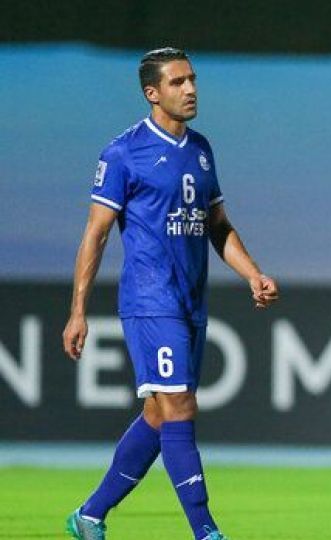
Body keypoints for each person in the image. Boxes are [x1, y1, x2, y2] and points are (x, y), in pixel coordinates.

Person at [62, 47, 279, 540]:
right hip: (149, 300)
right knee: (179, 406)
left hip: (191, 302)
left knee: (160, 414)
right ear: (152, 93)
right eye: (178, 82)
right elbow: (95, 235)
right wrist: (78, 311)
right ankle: (206, 531)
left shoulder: (201, 148)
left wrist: (252, 273)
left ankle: (89, 515)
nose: (191, 89)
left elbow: (217, 225)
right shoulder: (123, 152)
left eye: (192, 79)